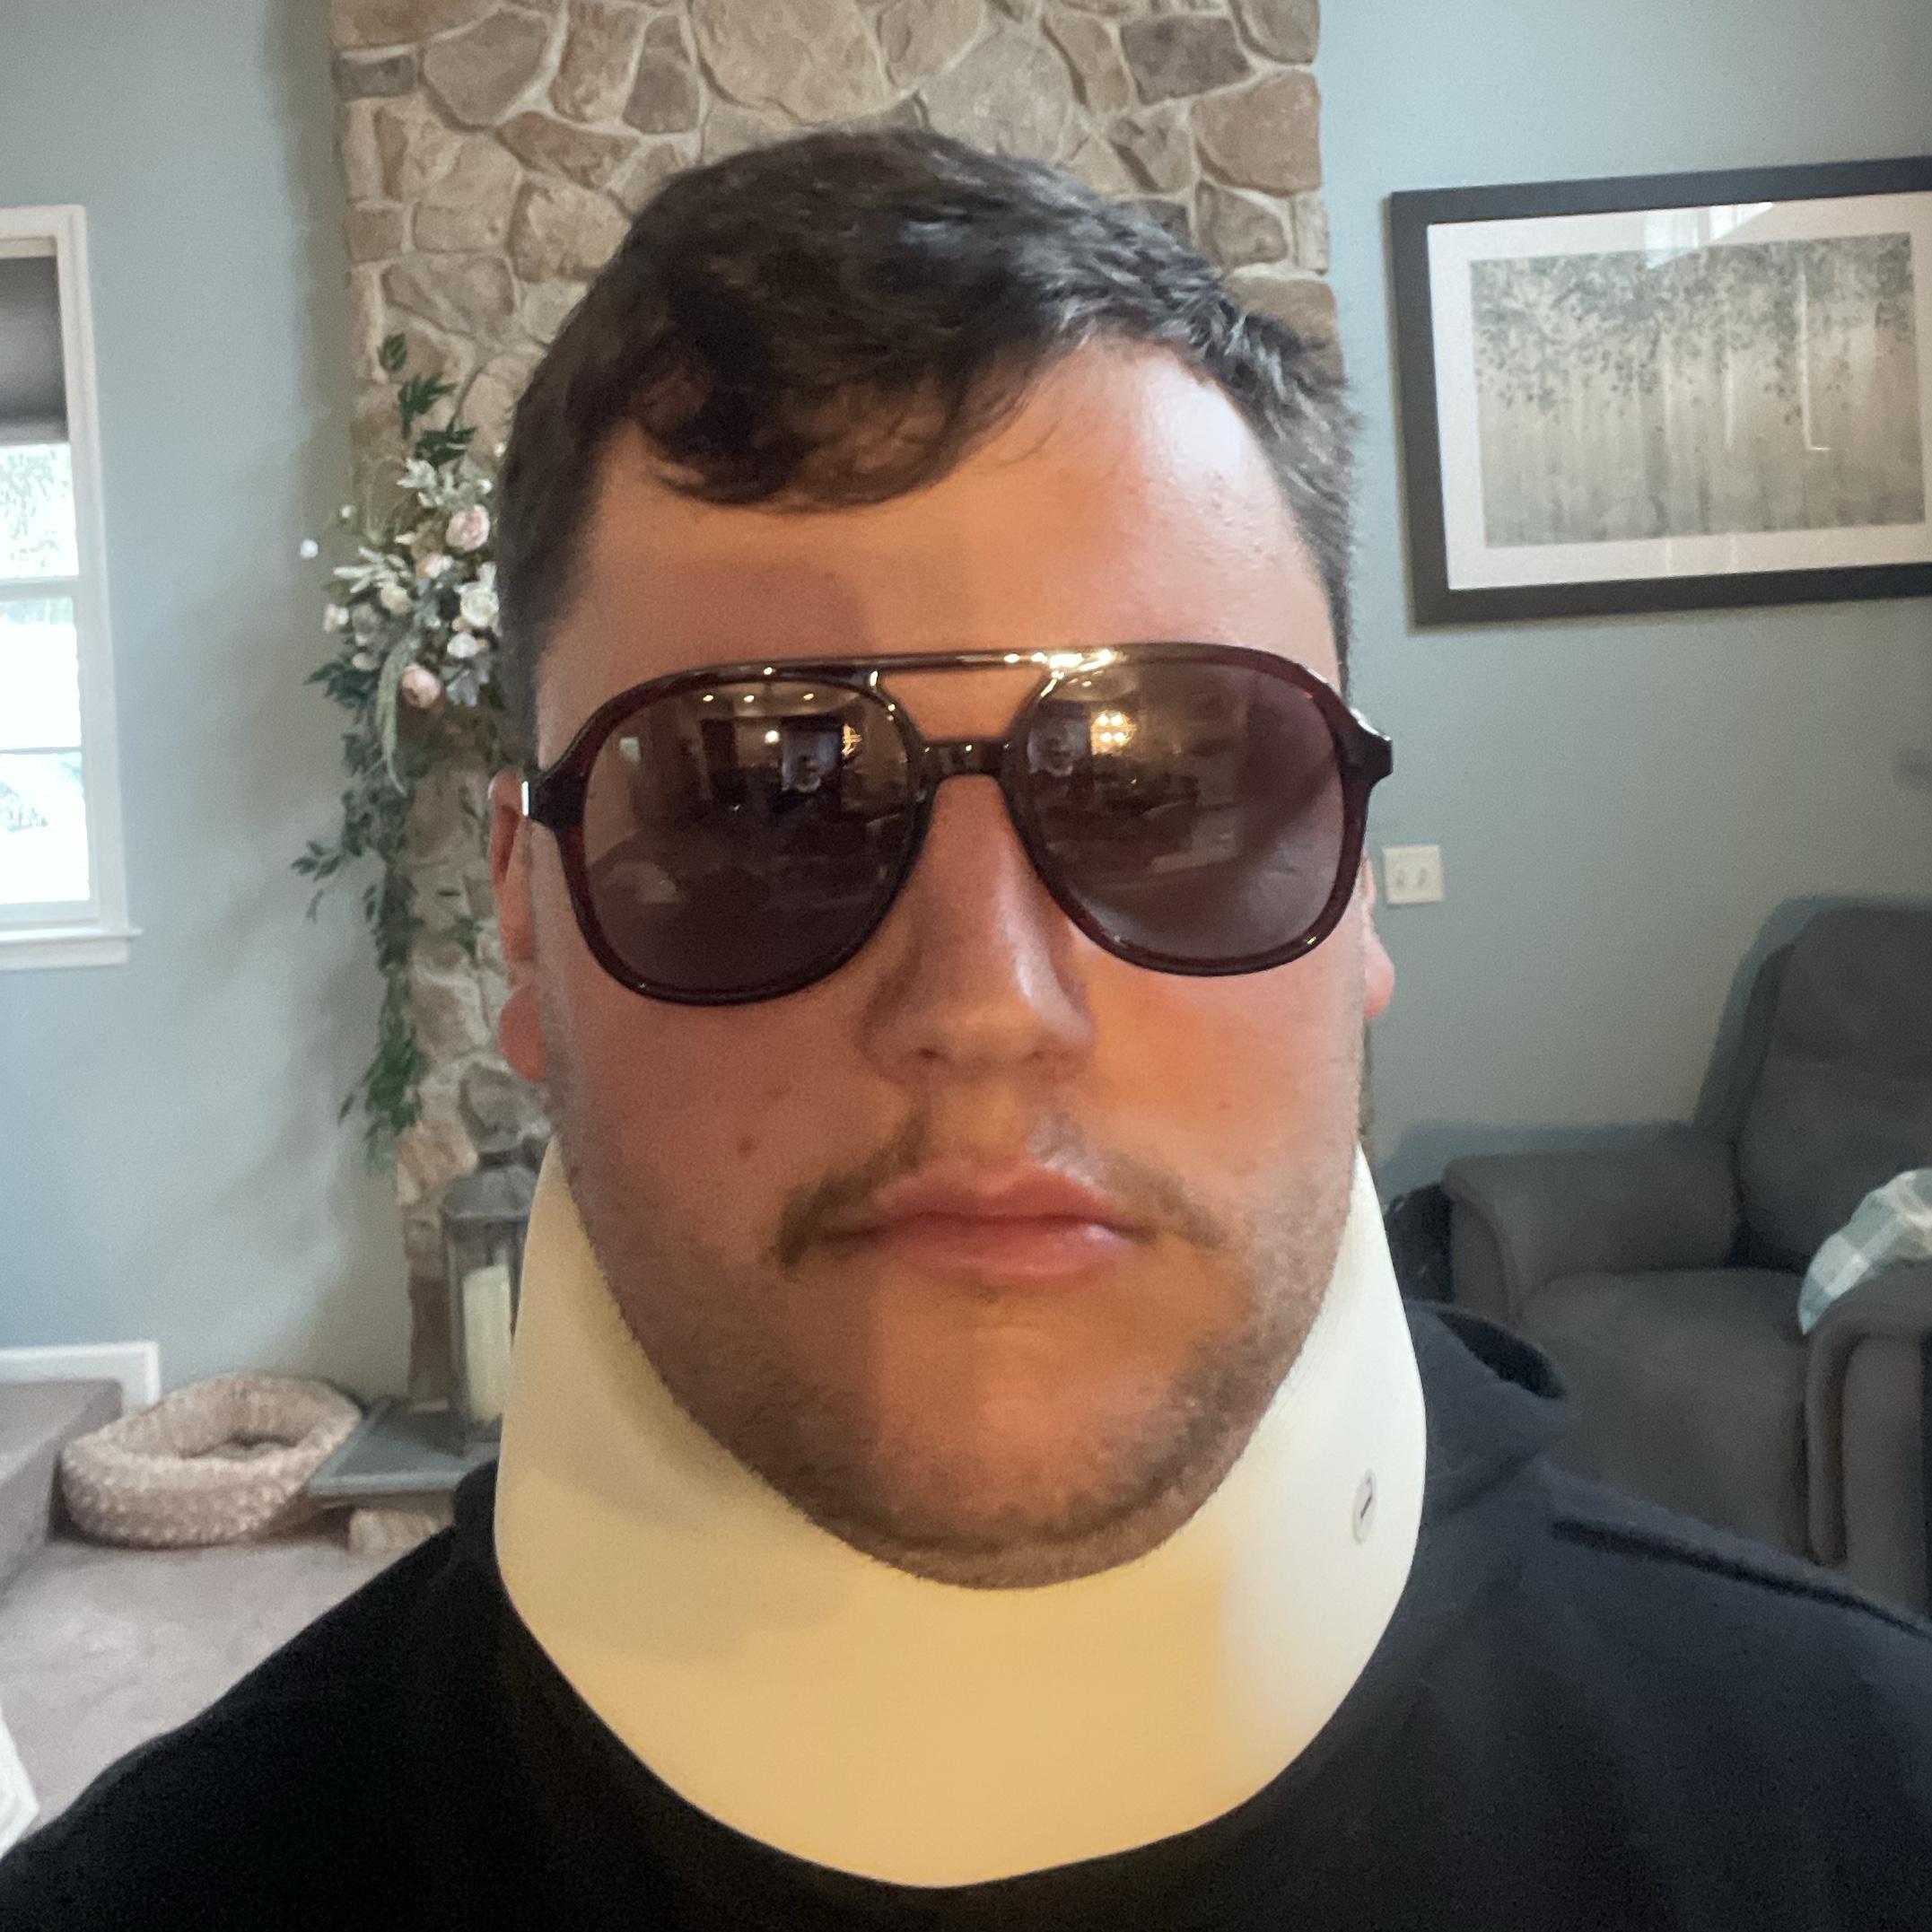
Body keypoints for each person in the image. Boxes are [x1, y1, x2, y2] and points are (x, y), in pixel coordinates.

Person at [4, 127, 1929, 1930]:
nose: (986, 1007)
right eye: (752, 801)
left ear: (1356, 887)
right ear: (524, 914)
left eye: (1172, 787)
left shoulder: (1871, 1813)